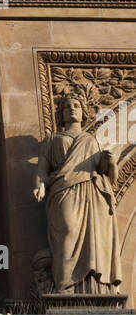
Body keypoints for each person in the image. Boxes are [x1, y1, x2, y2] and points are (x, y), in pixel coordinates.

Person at [33, 91, 121, 294]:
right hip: (63, 191)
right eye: (67, 106)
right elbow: (41, 170)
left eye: (76, 106)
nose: (72, 109)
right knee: (68, 231)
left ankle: (95, 286)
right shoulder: (52, 139)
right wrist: (40, 185)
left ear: (83, 113)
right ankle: (65, 285)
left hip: (92, 193)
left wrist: (111, 162)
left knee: (94, 239)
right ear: (61, 114)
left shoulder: (90, 140)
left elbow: (109, 176)